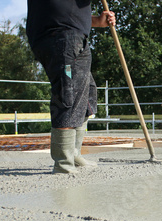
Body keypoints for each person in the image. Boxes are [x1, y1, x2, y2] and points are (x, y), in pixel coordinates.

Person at [26, 1, 116, 174]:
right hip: (62, 37)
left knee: (86, 93)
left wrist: (96, 21)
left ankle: (73, 154)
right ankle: (63, 162)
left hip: (69, 35)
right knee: (69, 94)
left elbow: (62, 11)